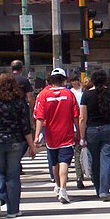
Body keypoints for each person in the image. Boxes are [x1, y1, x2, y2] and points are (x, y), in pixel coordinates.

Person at [0, 73, 37, 218]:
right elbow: (25, 126)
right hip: (16, 141)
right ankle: (13, 210)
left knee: (0, 172)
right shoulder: (19, 102)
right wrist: (32, 145)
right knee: (13, 175)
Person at [34, 68, 79, 204]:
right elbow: (76, 115)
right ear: (64, 79)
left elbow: (39, 117)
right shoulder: (69, 94)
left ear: (51, 80)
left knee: (54, 162)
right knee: (64, 161)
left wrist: (36, 136)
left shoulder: (43, 95)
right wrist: (80, 133)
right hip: (67, 132)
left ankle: (58, 186)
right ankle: (64, 190)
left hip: (51, 134)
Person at [79, 69, 110, 201]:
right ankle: (104, 191)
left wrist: (82, 136)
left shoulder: (86, 95)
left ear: (92, 80)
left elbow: (82, 117)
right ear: (106, 80)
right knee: (106, 160)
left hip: (92, 130)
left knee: (94, 160)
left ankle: (98, 187)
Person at [69, 74, 87, 189]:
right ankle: (79, 177)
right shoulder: (69, 93)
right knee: (77, 152)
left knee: (84, 152)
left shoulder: (83, 92)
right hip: (76, 126)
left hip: (84, 125)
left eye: (76, 80)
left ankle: (86, 173)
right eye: (73, 81)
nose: (75, 83)